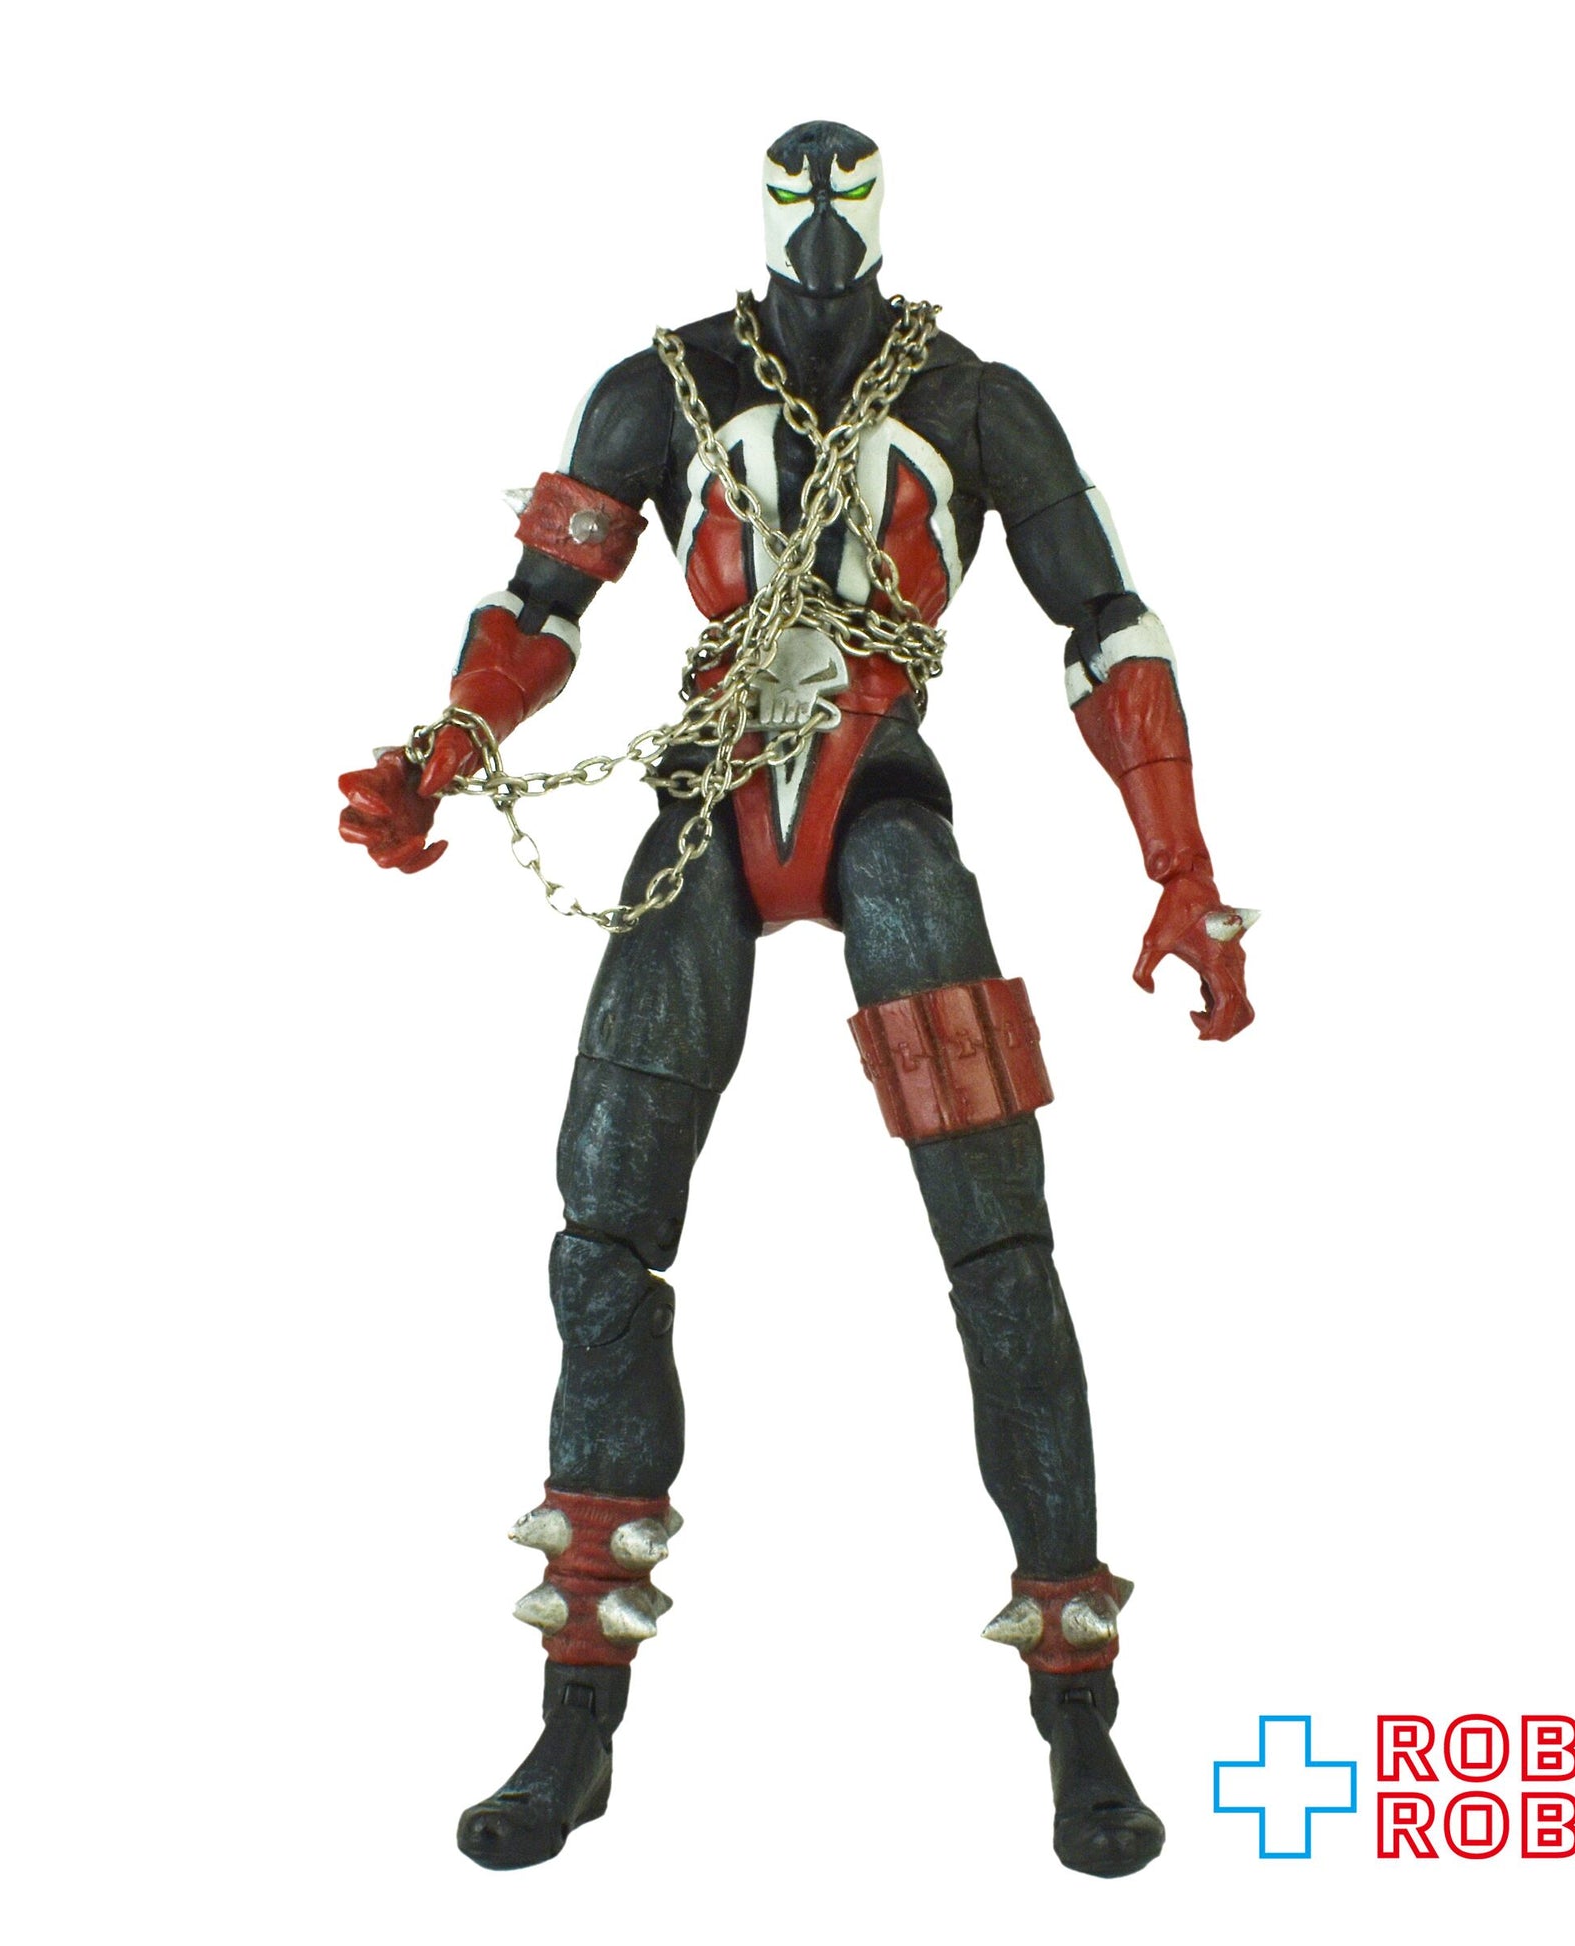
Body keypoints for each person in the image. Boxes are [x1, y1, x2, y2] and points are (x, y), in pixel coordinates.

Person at [338, 119, 1255, 1879]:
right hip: (706, 795)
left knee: (998, 1237)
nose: (823, 214)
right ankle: (576, 1718)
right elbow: (542, 603)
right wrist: (445, 746)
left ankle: (1079, 1718)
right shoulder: (656, 389)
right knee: (602, 1225)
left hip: (886, 797)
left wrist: (1182, 865)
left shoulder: (975, 401)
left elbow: (1106, 621)